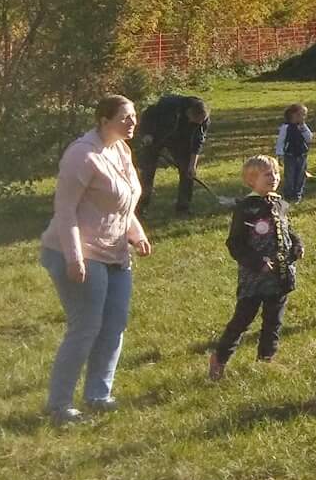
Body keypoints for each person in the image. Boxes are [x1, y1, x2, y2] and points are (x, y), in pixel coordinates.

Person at [39, 95, 151, 425]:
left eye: (133, 116)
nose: (132, 123)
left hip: (116, 252)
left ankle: (99, 395)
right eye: (124, 117)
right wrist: (75, 258)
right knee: (85, 327)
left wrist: (136, 233)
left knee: (114, 325)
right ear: (103, 120)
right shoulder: (81, 154)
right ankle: (59, 406)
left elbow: (124, 201)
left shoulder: (120, 150)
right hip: (76, 254)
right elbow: (65, 211)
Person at [209, 155, 303, 378]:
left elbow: (287, 230)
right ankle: (220, 357)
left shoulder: (280, 204)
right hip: (255, 278)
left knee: (274, 320)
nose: (274, 178)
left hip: (280, 274)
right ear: (251, 181)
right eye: (267, 174)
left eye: (276, 173)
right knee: (242, 320)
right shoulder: (246, 208)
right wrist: (255, 261)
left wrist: (297, 245)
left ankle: (266, 359)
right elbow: (235, 243)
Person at [133, 94, 210, 217]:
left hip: (180, 142)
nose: (193, 123)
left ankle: (183, 208)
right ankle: (140, 208)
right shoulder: (169, 105)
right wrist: (147, 134)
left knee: (187, 172)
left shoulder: (202, 119)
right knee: (147, 172)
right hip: (156, 137)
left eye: (198, 123)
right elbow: (148, 116)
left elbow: (198, 141)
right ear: (188, 112)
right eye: (192, 120)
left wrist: (192, 165)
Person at [276, 103, 315, 201]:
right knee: (290, 175)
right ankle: (288, 195)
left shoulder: (302, 127)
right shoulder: (286, 127)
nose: (303, 117)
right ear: (292, 115)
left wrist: (303, 128)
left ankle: (297, 194)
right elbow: (281, 141)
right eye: (300, 115)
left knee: (300, 175)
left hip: (302, 155)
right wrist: (280, 154)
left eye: (304, 115)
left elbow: (309, 138)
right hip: (290, 156)